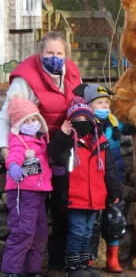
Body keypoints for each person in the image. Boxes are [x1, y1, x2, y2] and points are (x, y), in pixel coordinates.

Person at [0, 31, 81, 271]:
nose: (55, 57)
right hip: (32, 151)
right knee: (29, 217)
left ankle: (59, 262)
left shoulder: (72, 72)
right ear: (40, 53)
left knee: (63, 206)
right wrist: (5, 149)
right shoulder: (25, 79)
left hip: (63, 148)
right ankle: (18, 266)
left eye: (59, 53)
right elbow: (7, 115)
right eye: (49, 53)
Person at [47, 98, 122, 277]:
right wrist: (62, 134)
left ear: (91, 121)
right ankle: (73, 266)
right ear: (71, 122)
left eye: (85, 119)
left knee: (89, 232)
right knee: (77, 232)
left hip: (96, 197)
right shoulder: (68, 143)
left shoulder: (100, 141)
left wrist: (115, 190)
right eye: (77, 119)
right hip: (76, 198)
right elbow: (53, 154)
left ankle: (85, 263)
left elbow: (109, 168)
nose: (82, 123)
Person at [72, 83, 133, 273]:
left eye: (107, 103)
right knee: (92, 223)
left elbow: (133, 128)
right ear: (89, 106)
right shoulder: (84, 128)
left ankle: (112, 258)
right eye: (99, 103)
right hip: (93, 182)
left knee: (115, 219)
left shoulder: (115, 123)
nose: (105, 107)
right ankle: (87, 259)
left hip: (115, 179)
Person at [1, 97, 53, 277]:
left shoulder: (41, 142)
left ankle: (33, 269)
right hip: (22, 192)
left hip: (40, 192)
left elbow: (46, 163)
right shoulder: (18, 140)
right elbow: (13, 154)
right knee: (23, 231)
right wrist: (13, 165)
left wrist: (57, 167)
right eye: (27, 120)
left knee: (39, 232)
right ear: (18, 123)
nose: (32, 123)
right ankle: (12, 270)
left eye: (34, 119)